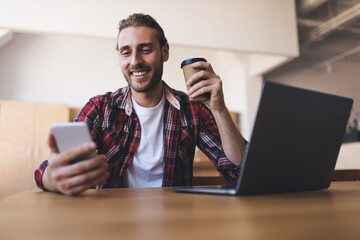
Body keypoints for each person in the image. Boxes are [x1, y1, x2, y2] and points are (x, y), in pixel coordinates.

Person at [34, 13, 246, 196]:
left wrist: (219, 109)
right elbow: (48, 171)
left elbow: (240, 171)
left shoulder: (193, 110)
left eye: (145, 49)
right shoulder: (100, 107)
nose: (135, 61)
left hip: (175, 220)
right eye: (126, 52)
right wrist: (55, 178)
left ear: (165, 52)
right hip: (113, 221)